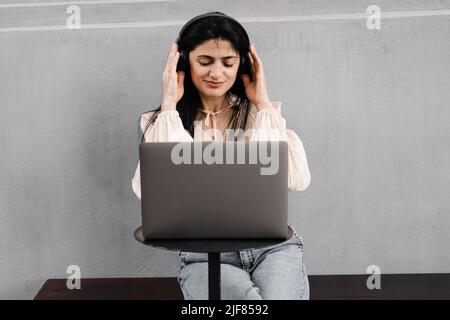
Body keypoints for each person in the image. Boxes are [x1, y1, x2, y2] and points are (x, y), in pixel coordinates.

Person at [131, 12, 311, 300]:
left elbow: (295, 178)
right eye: (205, 62)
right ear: (184, 62)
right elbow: (152, 190)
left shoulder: (260, 114)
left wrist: (263, 104)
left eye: (228, 63)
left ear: (242, 64)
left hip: (273, 248)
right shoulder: (162, 120)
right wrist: (169, 105)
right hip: (202, 255)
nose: (217, 74)